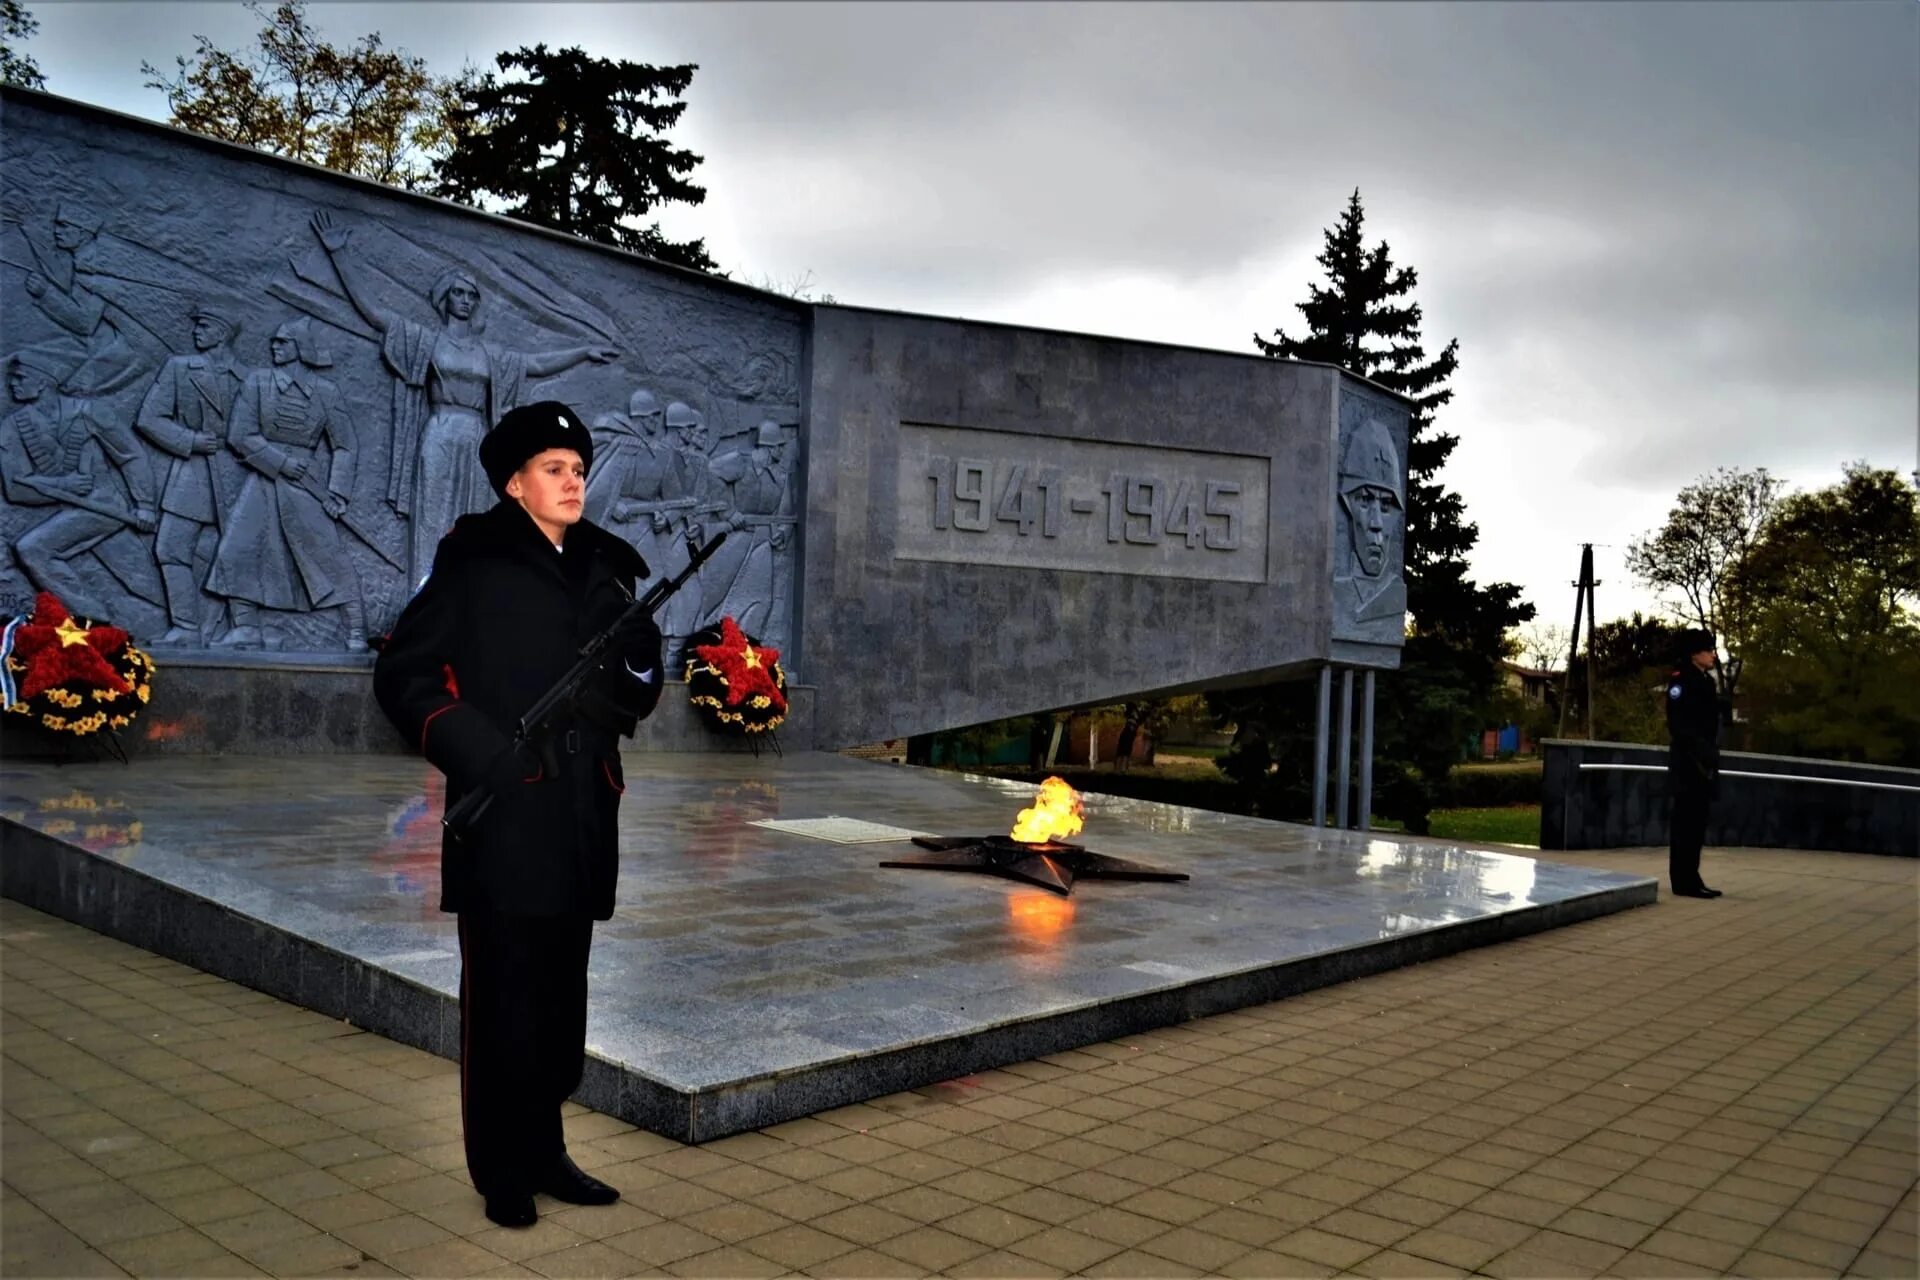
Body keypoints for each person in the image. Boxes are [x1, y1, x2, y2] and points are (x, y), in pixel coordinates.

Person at [372, 400, 664, 1229]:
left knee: (560, 998)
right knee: (502, 998)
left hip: (579, 817)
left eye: (578, 469)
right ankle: (499, 1167)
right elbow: (407, 678)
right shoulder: (471, 559)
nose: (573, 481)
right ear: (514, 483)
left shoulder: (608, 565)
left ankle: (546, 1150)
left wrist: (635, 669)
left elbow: (634, 685)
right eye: (554, 469)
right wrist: (478, 748)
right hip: (503, 813)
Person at [1666, 629, 1724, 899]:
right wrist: (1701, 753)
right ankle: (1682, 880)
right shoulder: (1681, 680)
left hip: (1704, 763)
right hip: (1688, 764)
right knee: (1684, 823)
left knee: (1697, 823)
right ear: (1694, 653)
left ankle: (1693, 875)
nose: (1713, 654)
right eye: (1707, 649)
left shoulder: (1706, 681)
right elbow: (1679, 726)